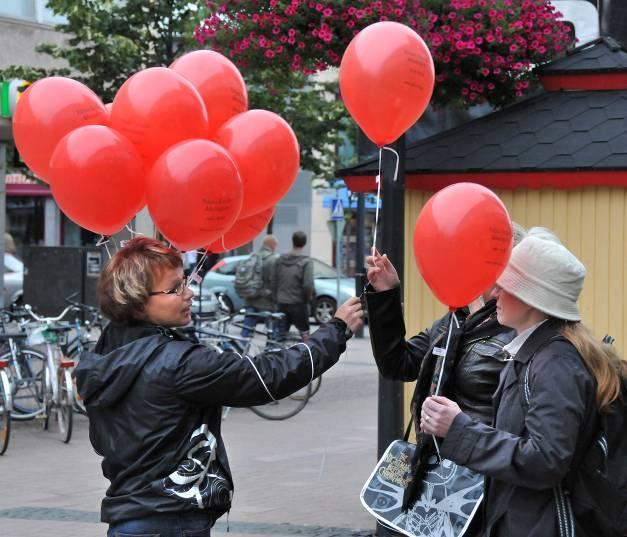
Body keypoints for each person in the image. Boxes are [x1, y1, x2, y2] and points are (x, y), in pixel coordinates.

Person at [74, 237, 364, 537]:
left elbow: (102, 441)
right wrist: (336, 330)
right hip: (170, 519)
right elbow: (266, 376)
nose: (188, 293)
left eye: (185, 282)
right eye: (174, 289)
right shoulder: (178, 362)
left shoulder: (104, 356)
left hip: (128, 519)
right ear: (137, 302)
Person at [420, 233, 627, 537]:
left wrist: (459, 429)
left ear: (532, 300)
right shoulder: (539, 353)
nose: (494, 293)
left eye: (505, 286)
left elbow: (546, 460)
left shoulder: (555, 363)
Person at [364, 223, 526, 533]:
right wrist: (386, 295)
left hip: (483, 478)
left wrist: (463, 430)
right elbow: (399, 363)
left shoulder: (517, 326)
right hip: (439, 470)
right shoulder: (457, 317)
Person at [272, 231, 315, 340]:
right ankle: (308, 355)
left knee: (279, 336)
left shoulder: (280, 260)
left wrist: (276, 298)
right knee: (305, 335)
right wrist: (307, 299)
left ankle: (277, 355)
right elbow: (308, 284)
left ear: (292, 242)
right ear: (304, 243)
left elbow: (274, 281)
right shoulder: (306, 262)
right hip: (298, 303)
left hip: (281, 302)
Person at [241, 235, 278, 337]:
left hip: (250, 300)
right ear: (272, 245)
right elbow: (274, 282)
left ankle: (240, 350)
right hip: (266, 302)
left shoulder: (253, 256)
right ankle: (271, 352)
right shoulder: (272, 260)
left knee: (246, 331)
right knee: (271, 332)